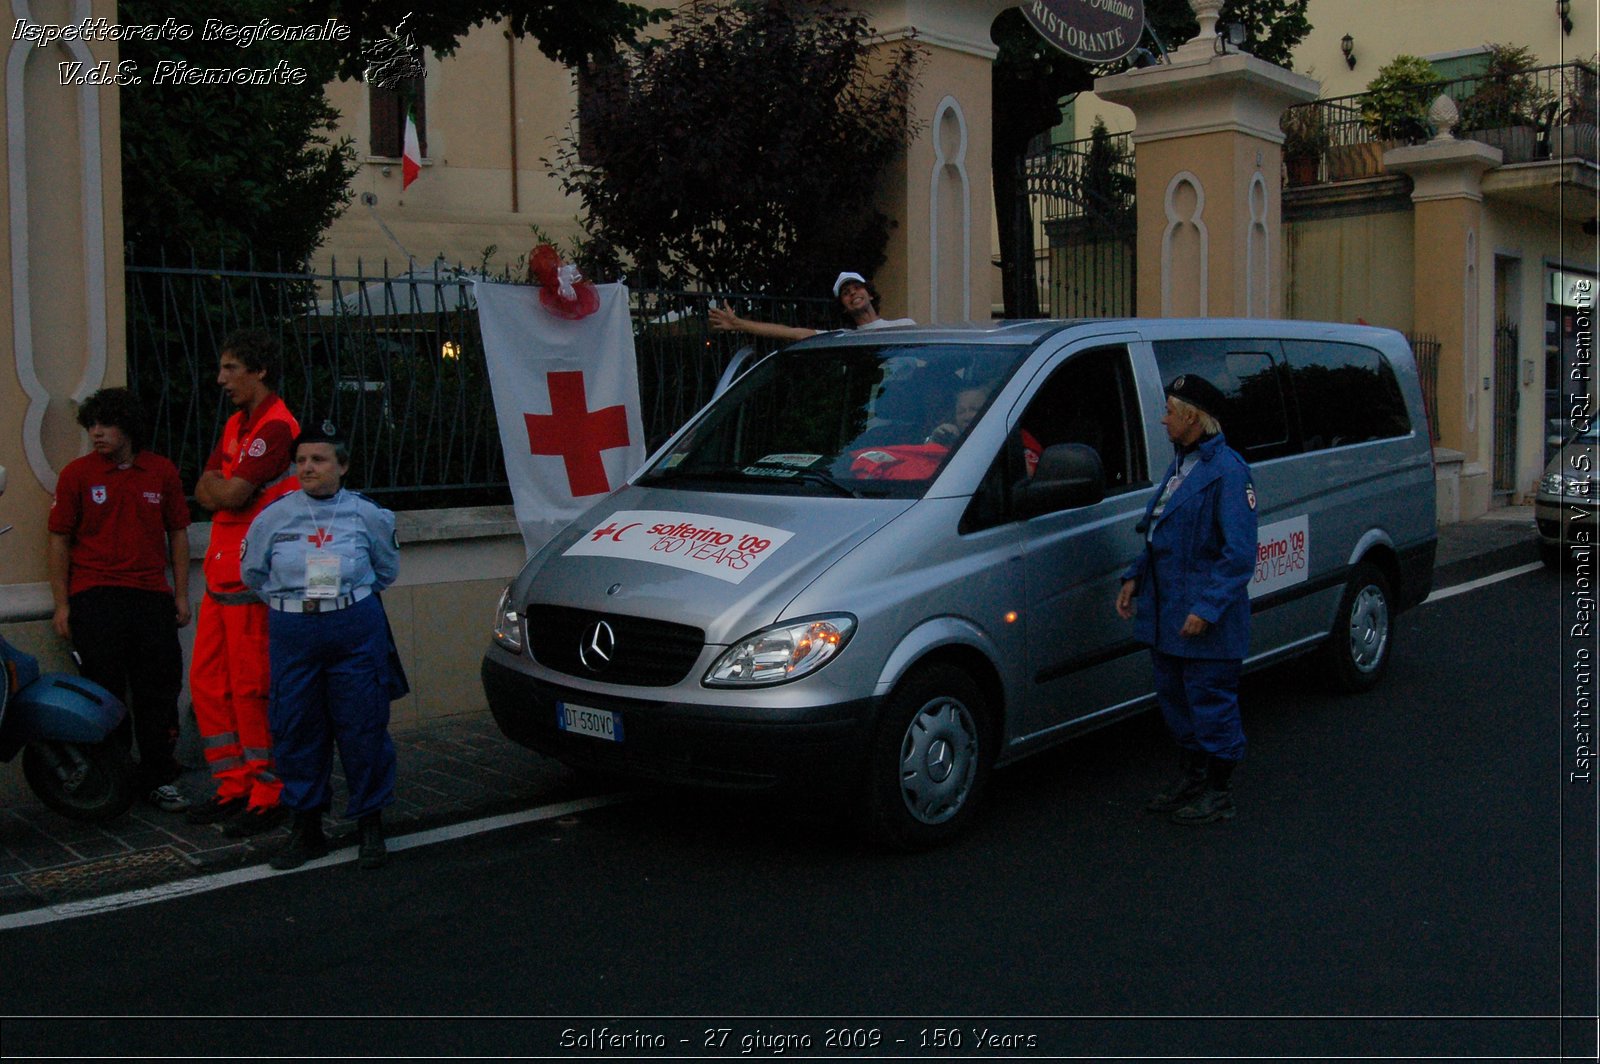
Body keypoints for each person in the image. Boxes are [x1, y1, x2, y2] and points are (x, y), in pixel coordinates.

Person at [241, 424, 400, 870]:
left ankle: (369, 822)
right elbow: (254, 572)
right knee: (296, 726)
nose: (307, 468)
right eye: (302, 460)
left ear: (342, 466)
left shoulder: (368, 514)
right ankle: (306, 827)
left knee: (363, 723)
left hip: (353, 626)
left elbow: (385, 570)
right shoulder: (273, 516)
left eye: (319, 459)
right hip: (294, 631)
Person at [1115, 375, 1257, 825]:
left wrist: (1207, 608)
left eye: (1171, 412)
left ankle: (1219, 790)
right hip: (1167, 611)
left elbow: (1238, 555)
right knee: (1176, 701)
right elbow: (1160, 535)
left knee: (1210, 701)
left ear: (1193, 418)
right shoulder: (1183, 466)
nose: (1163, 419)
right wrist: (1134, 577)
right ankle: (1192, 778)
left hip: (1202, 618)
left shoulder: (1228, 471)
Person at [46, 388, 192, 812]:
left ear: (128, 427)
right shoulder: (77, 475)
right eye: (91, 425)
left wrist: (181, 594)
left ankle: (159, 776)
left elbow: (178, 534)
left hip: (150, 598)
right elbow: (58, 540)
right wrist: (62, 604)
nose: (96, 433)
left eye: (105, 425)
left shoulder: (161, 472)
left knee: (158, 692)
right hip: (96, 598)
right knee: (104, 695)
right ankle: (116, 776)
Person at [186, 330, 301, 836]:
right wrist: (219, 489)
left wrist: (220, 489)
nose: (221, 378)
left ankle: (268, 790)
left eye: (231, 367)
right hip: (220, 576)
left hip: (253, 578)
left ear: (259, 371)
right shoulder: (239, 423)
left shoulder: (277, 427)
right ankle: (233, 783)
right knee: (210, 684)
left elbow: (228, 492)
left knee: (251, 688)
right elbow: (205, 487)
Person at [708, 271, 915, 341]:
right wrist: (739, 324)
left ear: (869, 294)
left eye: (856, 287)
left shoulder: (906, 326)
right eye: (845, 293)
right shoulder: (844, 338)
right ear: (843, 306)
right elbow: (792, 333)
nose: (852, 293)